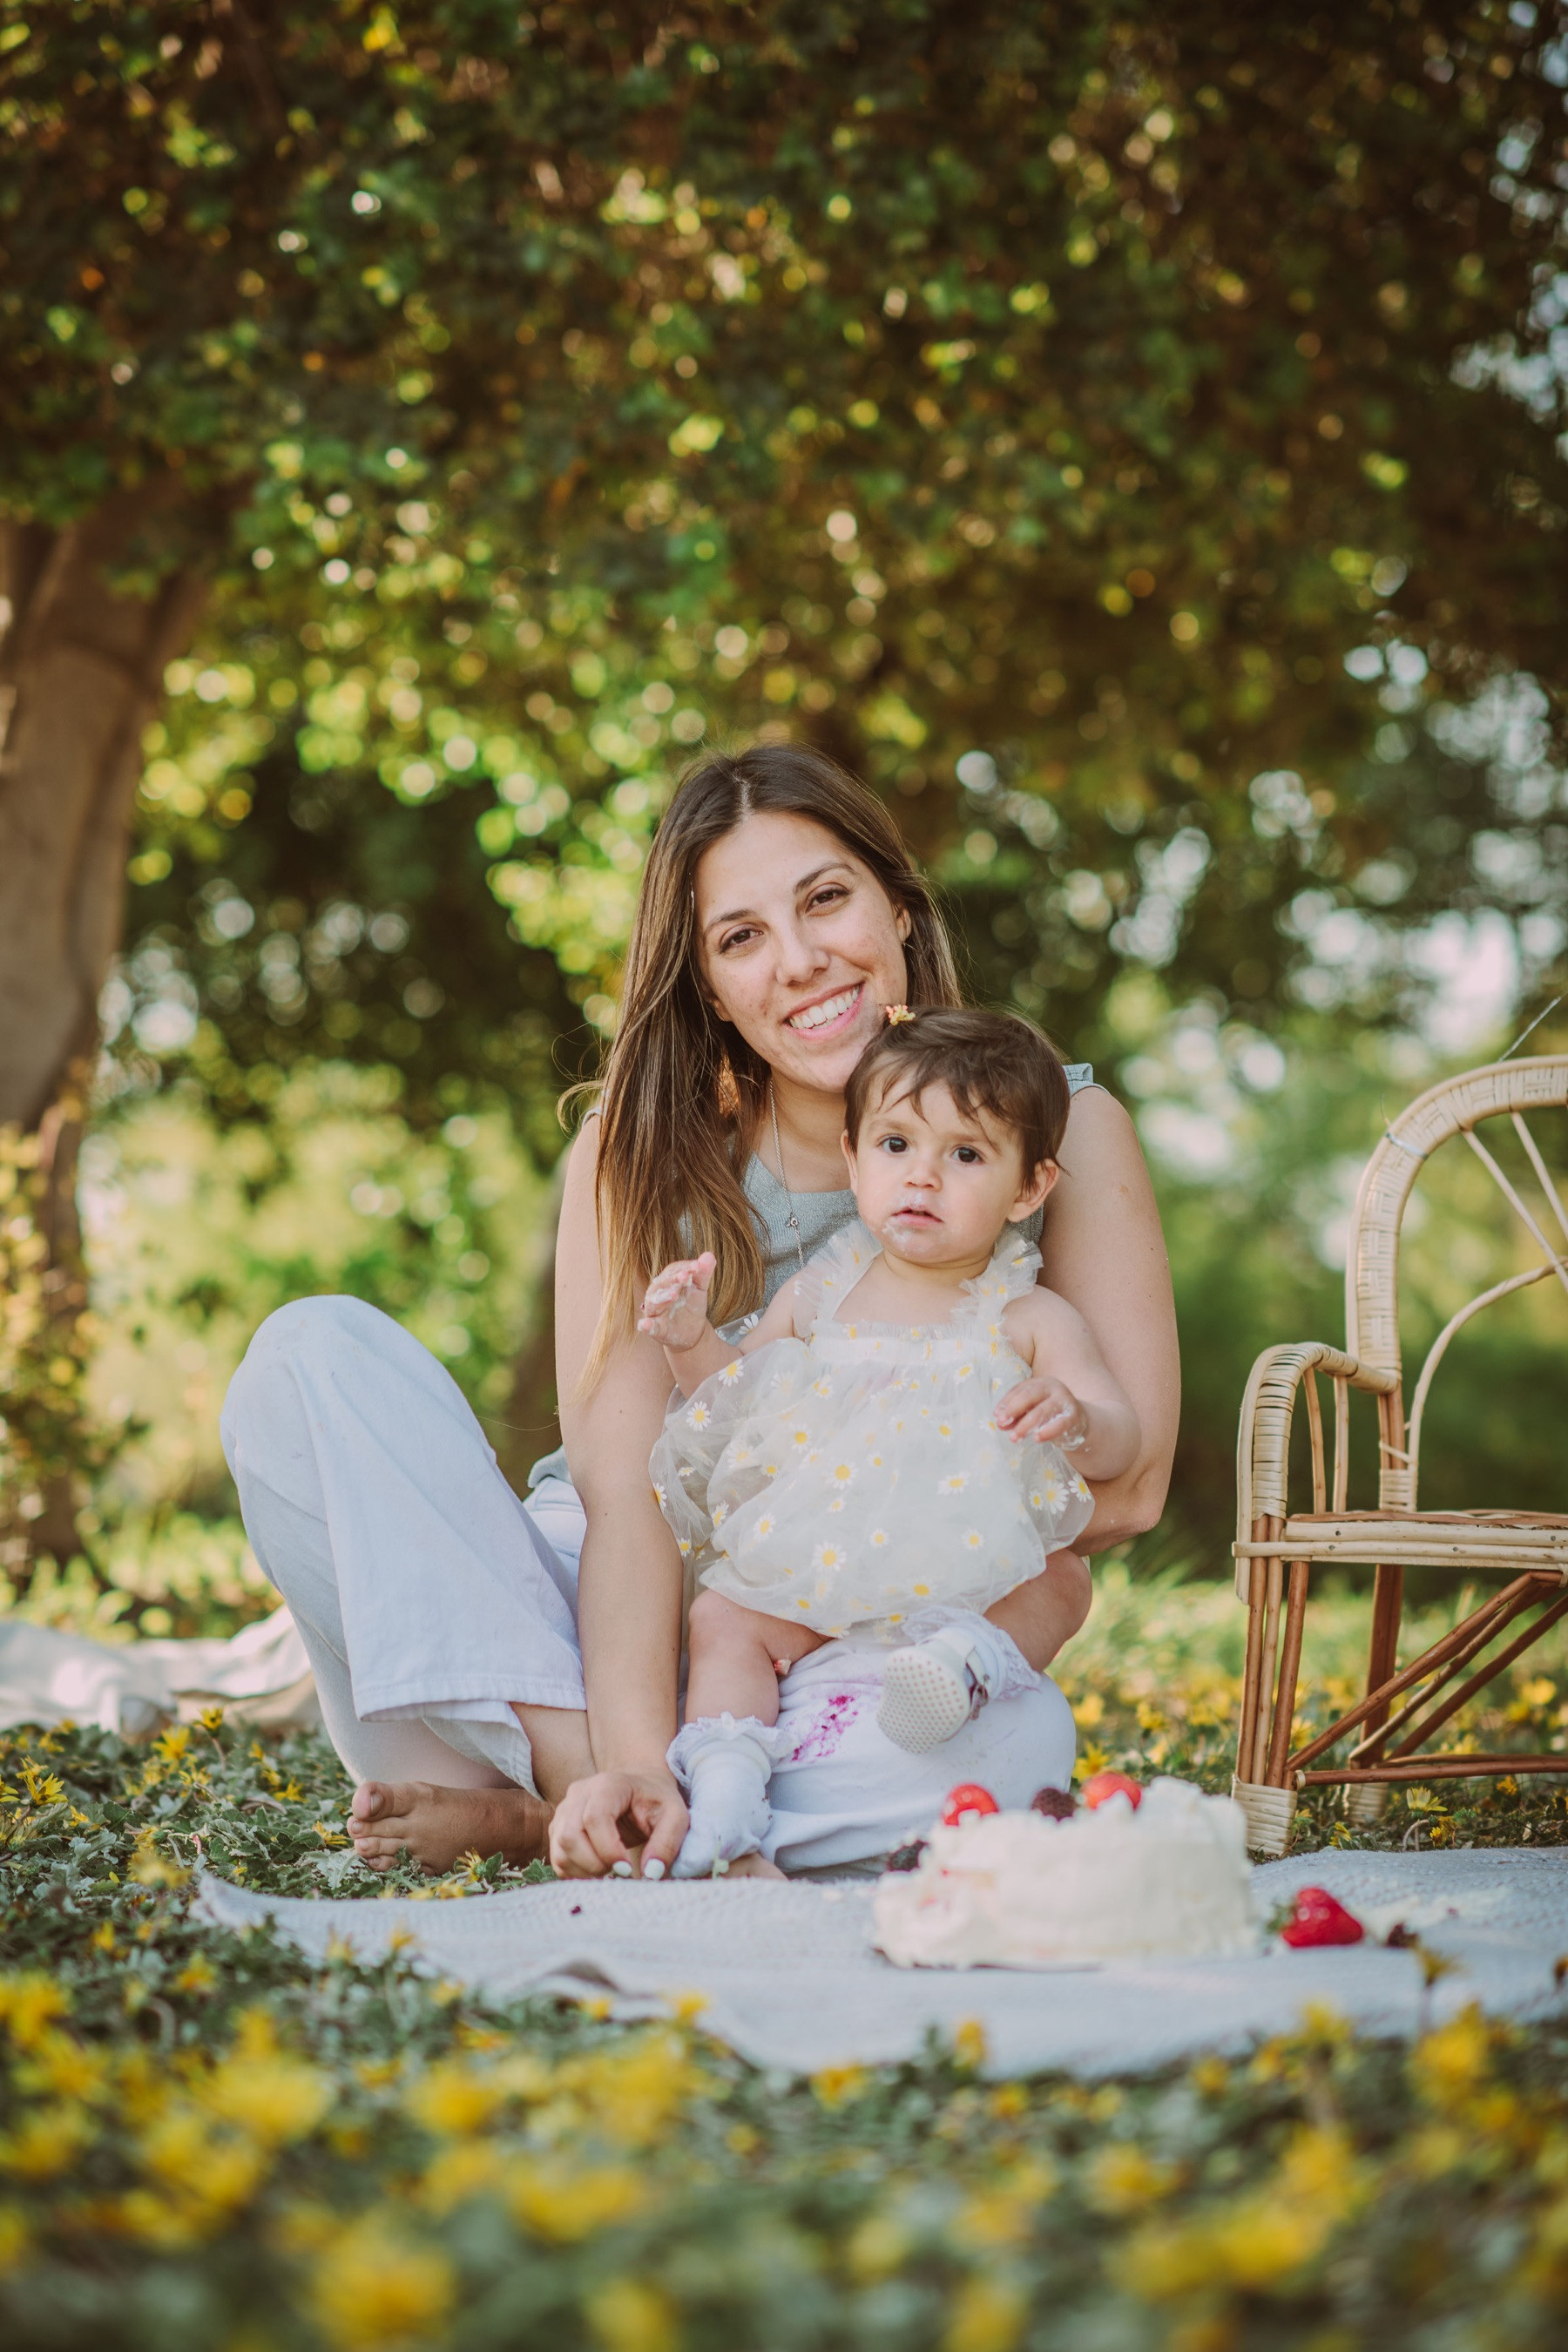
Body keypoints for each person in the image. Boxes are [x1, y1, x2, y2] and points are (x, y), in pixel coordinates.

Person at [219, 743, 1179, 1880]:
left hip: (848, 1635)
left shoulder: (1059, 1125)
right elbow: (626, 1493)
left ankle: (582, 1821)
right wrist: (631, 1749)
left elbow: (1129, 1490)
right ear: (708, 985)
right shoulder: (636, 1146)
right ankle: (604, 1790)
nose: (801, 961)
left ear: (901, 907)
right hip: (563, 1638)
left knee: (1001, 1745)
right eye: (741, 937)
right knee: (305, 1358)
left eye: (825, 899)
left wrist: (829, 1549)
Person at [639, 1004, 1141, 1876]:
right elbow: (735, 1402)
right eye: (896, 1145)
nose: (923, 1177)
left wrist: (1077, 1415)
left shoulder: (1027, 1316)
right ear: (853, 1158)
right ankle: (726, 1790)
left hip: (966, 1579)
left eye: (966, 1155)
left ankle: (961, 1667)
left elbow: (1121, 1437)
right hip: (821, 1565)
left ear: (1029, 1189)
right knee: (722, 1616)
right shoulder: (818, 1297)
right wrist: (689, 1341)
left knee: (1063, 1579)